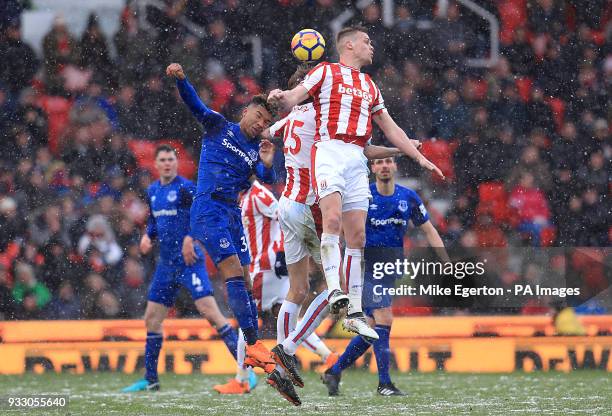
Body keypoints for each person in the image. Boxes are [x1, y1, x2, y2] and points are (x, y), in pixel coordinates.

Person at [268, 25, 443, 382]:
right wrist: (281, 97)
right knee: (332, 224)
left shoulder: (370, 86)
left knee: (357, 237)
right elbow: (295, 96)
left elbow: (391, 128)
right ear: (349, 45)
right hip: (329, 151)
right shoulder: (326, 72)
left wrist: (418, 158)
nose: (371, 45)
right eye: (366, 41)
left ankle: (352, 312)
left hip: (354, 159)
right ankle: (336, 294)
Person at [165, 63, 278, 374]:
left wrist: (267, 162)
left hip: (232, 212)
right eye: (258, 116)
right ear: (245, 112)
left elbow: (266, 178)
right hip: (209, 208)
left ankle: (249, 342)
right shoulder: (218, 126)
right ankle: (254, 344)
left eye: (266, 122)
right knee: (231, 272)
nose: (260, 124)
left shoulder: (258, 149)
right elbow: (194, 104)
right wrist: (182, 79)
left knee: (245, 275)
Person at [322, 156, 449, 396]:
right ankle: (384, 384)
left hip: (389, 270)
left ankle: (334, 371)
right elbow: (339, 231)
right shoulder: (363, 197)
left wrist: (446, 262)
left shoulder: (408, 197)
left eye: (388, 161)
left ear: (395, 166)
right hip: (364, 269)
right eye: (378, 162)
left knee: (372, 327)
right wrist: (335, 267)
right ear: (372, 168)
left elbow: (429, 230)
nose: (384, 166)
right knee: (385, 319)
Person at [122, 145, 239, 392]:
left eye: (171, 160)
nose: (167, 164)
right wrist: (147, 236)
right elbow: (154, 221)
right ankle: (151, 379)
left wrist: (190, 237)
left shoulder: (186, 188)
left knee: (211, 313)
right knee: (152, 319)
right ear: (155, 164)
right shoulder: (153, 191)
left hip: (189, 261)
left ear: (176, 163)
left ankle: (245, 372)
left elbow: (202, 214)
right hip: (166, 264)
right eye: (163, 160)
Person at [214, 180, 335, 402]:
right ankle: (328, 356)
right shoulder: (245, 195)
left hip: (264, 266)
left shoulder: (258, 194)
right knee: (286, 316)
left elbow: (283, 217)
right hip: (268, 266)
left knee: (247, 318)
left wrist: (280, 253)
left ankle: (242, 379)